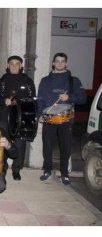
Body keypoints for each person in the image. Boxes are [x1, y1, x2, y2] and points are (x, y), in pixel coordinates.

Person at [37, 52, 87, 185]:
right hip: (49, 118)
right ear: (53, 63)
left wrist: (69, 98)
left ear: (66, 63)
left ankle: (65, 173)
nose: (59, 63)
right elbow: (40, 99)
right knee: (47, 147)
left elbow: (83, 98)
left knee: (65, 147)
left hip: (66, 119)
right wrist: (40, 115)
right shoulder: (45, 80)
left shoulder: (74, 81)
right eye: (57, 61)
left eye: (62, 61)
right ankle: (47, 170)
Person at [0, 55, 36, 180]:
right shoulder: (2, 81)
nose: (14, 66)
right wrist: (3, 100)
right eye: (11, 64)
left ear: (21, 66)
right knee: (3, 143)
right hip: (4, 118)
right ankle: (3, 167)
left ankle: (16, 170)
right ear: (7, 66)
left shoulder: (27, 81)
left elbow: (33, 99)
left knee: (20, 144)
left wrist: (19, 101)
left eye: (17, 64)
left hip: (21, 119)